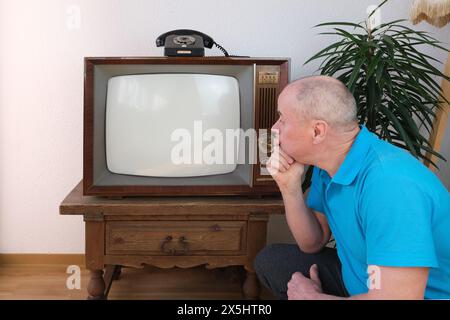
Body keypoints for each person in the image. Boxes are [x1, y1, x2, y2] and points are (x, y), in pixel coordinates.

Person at [254, 75, 450, 300]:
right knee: (272, 261)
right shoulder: (328, 164)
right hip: (361, 281)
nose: (274, 128)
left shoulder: (391, 187)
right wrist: (289, 187)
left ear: (317, 131)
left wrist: (314, 297)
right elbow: (312, 242)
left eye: (282, 119)